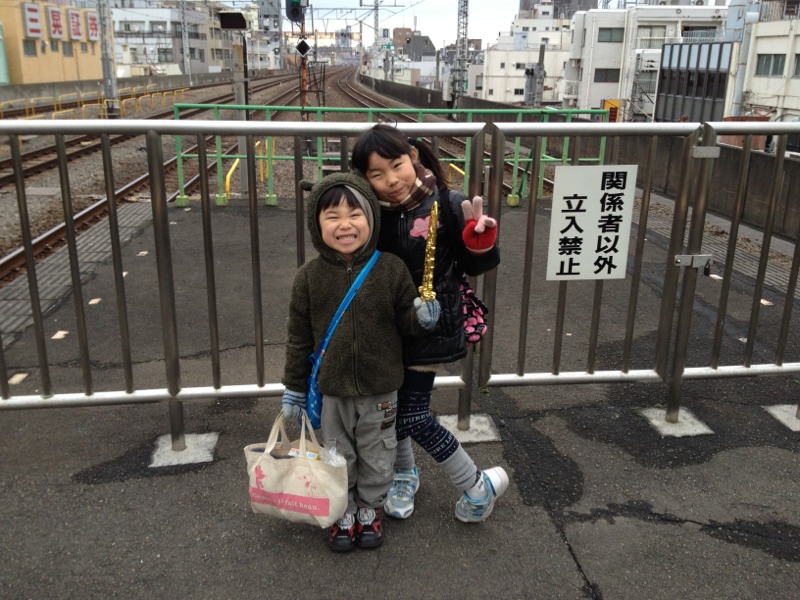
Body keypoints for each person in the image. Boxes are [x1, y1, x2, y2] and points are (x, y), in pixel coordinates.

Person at [350, 123, 508, 524]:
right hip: (386, 330)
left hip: (430, 329)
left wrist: (479, 245)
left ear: (413, 157)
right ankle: (405, 475)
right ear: (364, 178)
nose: (391, 181)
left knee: (411, 415)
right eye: (376, 174)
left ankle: (476, 483)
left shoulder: (448, 203)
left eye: (396, 166)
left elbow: (476, 265)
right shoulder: (368, 212)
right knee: (391, 408)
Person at [280, 172, 441, 552]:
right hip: (332, 391)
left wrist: (421, 318)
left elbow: (406, 322)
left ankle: (370, 508)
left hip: (381, 389)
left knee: (379, 453)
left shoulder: (391, 269)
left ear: (371, 218)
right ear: (316, 224)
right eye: (332, 216)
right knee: (337, 454)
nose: (345, 225)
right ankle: (345, 510)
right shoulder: (308, 278)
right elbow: (298, 339)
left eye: (355, 214)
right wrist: (294, 388)